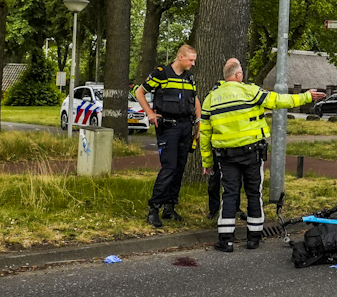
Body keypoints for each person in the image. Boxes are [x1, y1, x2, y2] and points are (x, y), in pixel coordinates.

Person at [201, 58, 324, 251]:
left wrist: (207, 161)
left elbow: (204, 133)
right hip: (252, 154)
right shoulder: (250, 91)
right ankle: (254, 239)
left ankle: (226, 241)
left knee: (229, 194)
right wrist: (306, 97)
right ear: (238, 75)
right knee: (253, 193)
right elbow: (279, 100)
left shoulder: (210, 99)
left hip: (226, 156)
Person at [135, 44, 201, 227]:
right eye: (190, 60)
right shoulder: (161, 74)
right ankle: (154, 209)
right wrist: (150, 113)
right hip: (168, 127)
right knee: (169, 167)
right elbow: (139, 92)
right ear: (180, 57)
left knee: (179, 168)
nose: (193, 63)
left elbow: (194, 99)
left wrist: (198, 124)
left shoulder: (189, 77)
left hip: (186, 126)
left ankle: (170, 208)